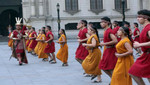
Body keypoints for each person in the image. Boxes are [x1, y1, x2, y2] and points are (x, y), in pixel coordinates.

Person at [129, 9, 150, 85]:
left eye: (139, 17)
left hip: (148, 55)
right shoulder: (145, 28)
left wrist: (140, 45)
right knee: (133, 72)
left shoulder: (149, 28)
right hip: (145, 55)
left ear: (146, 18)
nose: (137, 18)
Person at [99, 17, 118, 82]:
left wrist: (104, 43)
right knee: (103, 66)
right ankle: (113, 80)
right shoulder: (106, 31)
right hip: (107, 50)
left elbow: (115, 40)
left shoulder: (109, 30)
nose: (100, 23)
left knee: (110, 67)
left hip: (111, 51)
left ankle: (114, 81)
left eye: (102, 22)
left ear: (107, 23)